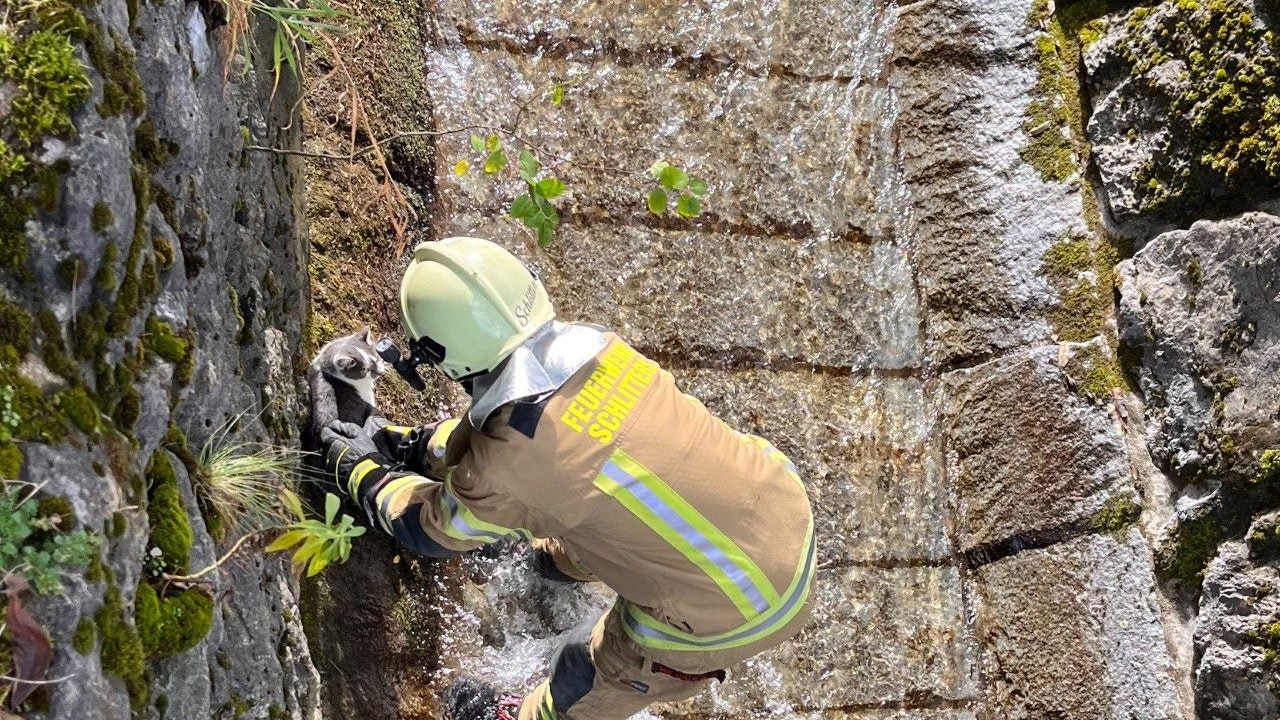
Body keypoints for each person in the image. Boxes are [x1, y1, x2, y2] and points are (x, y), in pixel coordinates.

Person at [319, 236, 816, 720]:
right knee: (610, 498)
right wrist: (413, 444)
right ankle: (556, 562)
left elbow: (430, 528)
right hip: (780, 513)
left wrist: (363, 468)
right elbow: (536, 442)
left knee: (591, 669)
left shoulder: (515, 464)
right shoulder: (602, 349)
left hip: (735, 617)